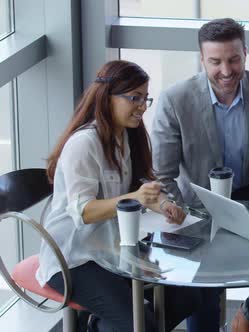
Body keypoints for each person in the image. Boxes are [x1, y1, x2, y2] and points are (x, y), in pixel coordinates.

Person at [150, 18, 249, 332]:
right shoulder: (174, 100)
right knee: (205, 285)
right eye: (215, 61)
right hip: (197, 202)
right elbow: (162, 174)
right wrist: (180, 212)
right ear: (202, 58)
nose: (226, 70)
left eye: (234, 59)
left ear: (245, 53)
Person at [36, 60, 205, 332]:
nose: (142, 106)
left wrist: (163, 204)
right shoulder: (83, 144)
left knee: (188, 295)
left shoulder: (127, 136)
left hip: (112, 250)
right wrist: (135, 199)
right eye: (134, 98)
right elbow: (84, 212)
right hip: (73, 259)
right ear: (107, 97)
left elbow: (142, 183)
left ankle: (100, 323)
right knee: (140, 325)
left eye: (145, 98)